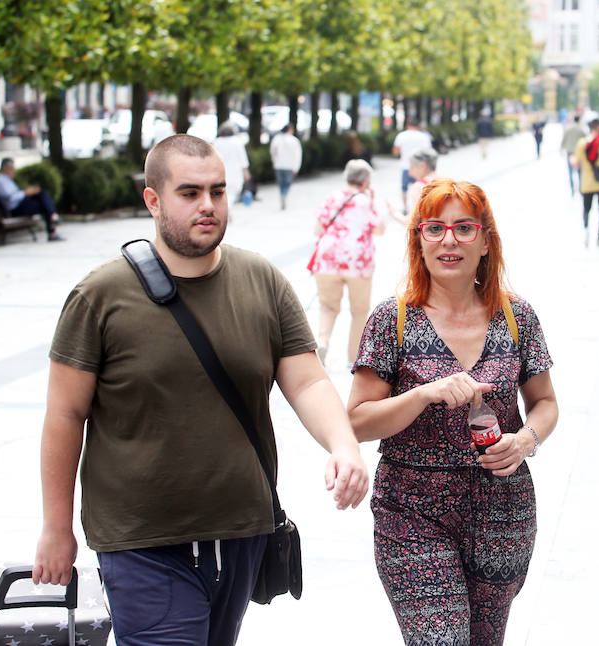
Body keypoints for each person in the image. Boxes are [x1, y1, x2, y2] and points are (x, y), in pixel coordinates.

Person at [32, 134, 369, 646]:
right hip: (140, 539)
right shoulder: (99, 297)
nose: (207, 206)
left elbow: (306, 380)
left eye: (217, 191)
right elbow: (63, 415)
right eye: (189, 193)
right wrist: (57, 529)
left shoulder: (261, 281)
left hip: (240, 531)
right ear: (153, 200)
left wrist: (344, 446)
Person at [347, 178, 558, 646]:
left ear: (485, 241)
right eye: (435, 229)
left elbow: (544, 404)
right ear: (418, 241)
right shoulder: (392, 320)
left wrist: (524, 441)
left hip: (504, 513)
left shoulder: (517, 317)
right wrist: (423, 394)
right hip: (413, 513)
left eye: (464, 228)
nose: (449, 240)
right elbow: (356, 420)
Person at [310, 159, 385, 367]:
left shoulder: (332, 197)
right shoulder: (366, 201)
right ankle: (354, 357)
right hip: (358, 263)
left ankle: (323, 341)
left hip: (327, 261)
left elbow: (317, 229)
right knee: (359, 311)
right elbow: (380, 229)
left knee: (327, 307)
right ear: (366, 181)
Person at [0, 158, 62, 241]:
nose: (14, 171)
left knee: (42, 194)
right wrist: (25, 193)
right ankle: (52, 225)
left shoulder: (6, 180)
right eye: (13, 168)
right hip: (15, 209)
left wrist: (28, 192)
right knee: (44, 205)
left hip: (20, 205)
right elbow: (11, 198)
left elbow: (14, 194)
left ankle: (53, 216)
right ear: (5, 169)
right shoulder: (1, 181)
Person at [572, 118, 599, 247]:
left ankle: (586, 230)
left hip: (586, 182)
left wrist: (571, 159)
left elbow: (575, 163)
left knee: (586, 209)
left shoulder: (582, 143)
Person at [392, 117, 433, 214]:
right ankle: (420, 206)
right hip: (421, 168)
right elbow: (429, 152)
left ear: (407, 125)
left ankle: (405, 207)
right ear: (418, 126)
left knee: (404, 188)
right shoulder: (423, 136)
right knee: (422, 187)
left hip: (406, 166)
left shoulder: (401, 135)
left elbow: (395, 152)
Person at [212, 122, 250, 207]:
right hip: (235, 172)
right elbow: (243, 159)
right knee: (232, 193)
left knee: (223, 193)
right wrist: (246, 172)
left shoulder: (216, 142)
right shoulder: (237, 142)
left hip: (220, 172)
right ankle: (227, 209)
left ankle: (226, 209)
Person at [270, 123, 302, 210]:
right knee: (287, 183)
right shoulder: (294, 140)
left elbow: (273, 152)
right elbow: (298, 155)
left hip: (278, 165)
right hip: (289, 166)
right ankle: (284, 194)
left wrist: (274, 162)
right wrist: (296, 167)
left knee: (281, 183)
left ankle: (282, 194)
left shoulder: (276, 139)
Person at [560, 114, 585, 196]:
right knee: (579, 171)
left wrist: (562, 148)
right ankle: (581, 188)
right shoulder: (581, 129)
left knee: (570, 171)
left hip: (570, 152)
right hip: (579, 153)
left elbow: (564, 139)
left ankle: (572, 189)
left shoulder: (568, 128)